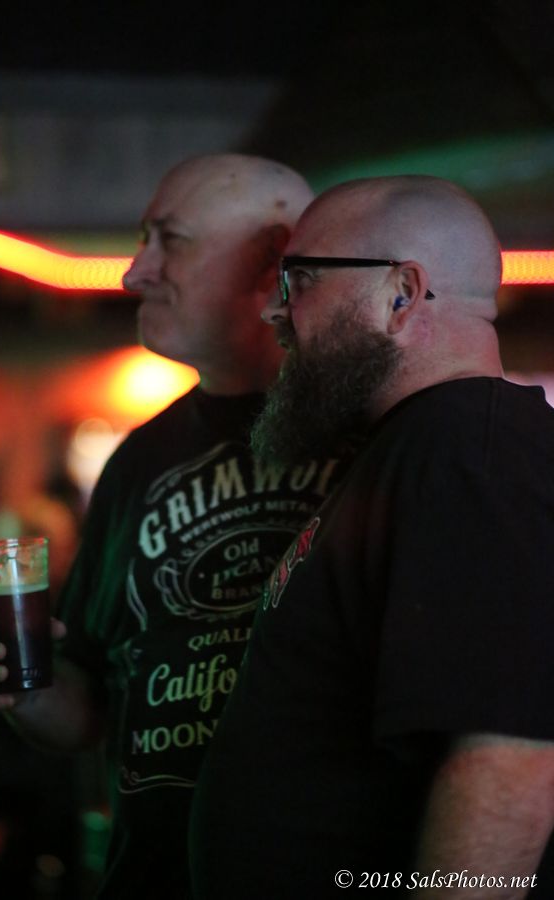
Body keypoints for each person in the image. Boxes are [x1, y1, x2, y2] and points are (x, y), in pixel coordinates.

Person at [0, 154, 346, 899]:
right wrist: (22, 684)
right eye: (143, 241)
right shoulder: (140, 458)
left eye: (171, 241)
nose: (135, 274)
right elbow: (89, 712)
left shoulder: (374, 434)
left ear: (272, 259)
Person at [189, 175, 554, 899]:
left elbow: (511, 759)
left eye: (299, 279)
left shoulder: (466, 450)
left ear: (401, 293)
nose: (274, 309)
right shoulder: (421, 447)